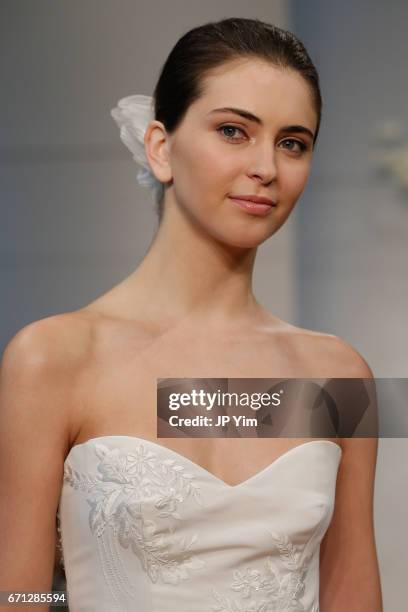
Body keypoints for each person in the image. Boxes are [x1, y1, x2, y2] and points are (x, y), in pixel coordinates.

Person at [0, 16, 382, 612]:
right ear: (161, 147)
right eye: (234, 131)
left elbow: (354, 595)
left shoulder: (339, 375)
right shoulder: (54, 357)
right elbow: (17, 595)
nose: (267, 167)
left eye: (292, 143)